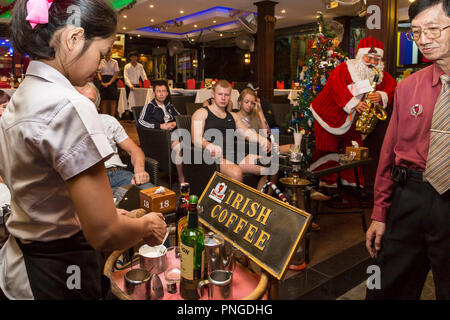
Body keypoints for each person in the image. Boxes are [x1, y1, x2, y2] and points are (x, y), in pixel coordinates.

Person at [0, 0, 166, 300]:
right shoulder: (71, 105)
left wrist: (102, 213)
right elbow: (103, 233)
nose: (102, 65)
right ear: (73, 38)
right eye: (102, 54)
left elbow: (45, 190)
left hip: (21, 266)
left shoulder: (21, 96)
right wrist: (145, 225)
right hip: (60, 274)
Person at [366, 0, 450, 300]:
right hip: (409, 196)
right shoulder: (408, 88)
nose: (424, 39)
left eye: (433, 29)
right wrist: (380, 212)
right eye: (416, 32)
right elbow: (389, 154)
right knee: (384, 287)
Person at [310, 36, 397, 189]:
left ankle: (350, 183)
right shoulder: (345, 68)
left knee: (354, 149)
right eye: (369, 57)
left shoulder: (379, 73)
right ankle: (324, 185)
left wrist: (381, 96)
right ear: (359, 54)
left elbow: (393, 86)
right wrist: (355, 103)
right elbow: (336, 87)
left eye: (377, 59)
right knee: (326, 148)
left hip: (352, 119)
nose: (373, 62)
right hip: (328, 114)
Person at [191, 80, 272, 191]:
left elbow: (247, 133)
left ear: (230, 96)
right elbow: (195, 139)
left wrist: (262, 139)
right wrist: (209, 145)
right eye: (220, 94)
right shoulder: (202, 112)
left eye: (226, 94)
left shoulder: (233, 116)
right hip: (213, 158)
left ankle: (259, 202)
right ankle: (233, 207)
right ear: (213, 94)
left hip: (234, 156)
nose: (223, 98)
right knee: (236, 172)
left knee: (269, 165)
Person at [77, 82, 154, 189]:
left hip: (117, 174)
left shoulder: (108, 121)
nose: (86, 104)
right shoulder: (67, 126)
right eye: (81, 100)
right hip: (88, 179)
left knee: (153, 194)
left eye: (91, 101)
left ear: (97, 103)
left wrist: (139, 170)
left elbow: (135, 151)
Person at [137, 80, 185, 184]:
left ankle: (196, 173)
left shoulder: (169, 106)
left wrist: (175, 123)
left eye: (164, 91)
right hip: (159, 137)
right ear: (154, 93)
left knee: (193, 140)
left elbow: (180, 117)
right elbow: (140, 122)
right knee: (177, 145)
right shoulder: (149, 107)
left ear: (167, 93)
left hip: (173, 134)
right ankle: (182, 178)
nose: (161, 93)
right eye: (158, 91)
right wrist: (160, 126)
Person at [97, 49, 119, 117]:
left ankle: (112, 117)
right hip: (103, 80)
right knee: (104, 100)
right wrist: (101, 82)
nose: (108, 53)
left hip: (112, 80)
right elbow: (98, 73)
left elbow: (116, 74)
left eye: (109, 52)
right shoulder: (100, 61)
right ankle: (104, 117)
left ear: (111, 53)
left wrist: (109, 82)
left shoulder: (115, 62)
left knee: (113, 100)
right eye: (106, 52)